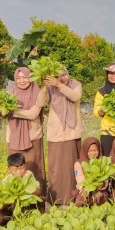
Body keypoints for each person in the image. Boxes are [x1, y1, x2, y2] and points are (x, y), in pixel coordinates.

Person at [0, 67, 47, 196]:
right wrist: (0, 112)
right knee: (15, 169)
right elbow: (3, 114)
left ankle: (37, 198)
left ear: (30, 78)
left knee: (34, 168)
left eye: (25, 77)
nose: (22, 80)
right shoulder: (10, 93)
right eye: (18, 78)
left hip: (32, 137)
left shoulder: (38, 93)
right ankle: (16, 197)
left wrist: (13, 111)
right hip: (14, 137)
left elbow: (33, 114)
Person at [38, 67, 83, 205]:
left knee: (72, 167)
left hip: (72, 131)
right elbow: (40, 103)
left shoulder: (75, 84)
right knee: (56, 168)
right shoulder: (51, 88)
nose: (62, 77)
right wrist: (45, 87)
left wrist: (59, 85)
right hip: (56, 133)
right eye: (58, 76)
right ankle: (56, 199)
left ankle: (73, 197)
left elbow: (75, 96)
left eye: (64, 74)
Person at [0, 153, 43, 226]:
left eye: (21, 168)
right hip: (13, 206)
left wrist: (24, 191)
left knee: (41, 200)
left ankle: (28, 219)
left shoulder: (28, 175)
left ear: (25, 166)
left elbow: (38, 192)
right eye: (15, 170)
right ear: (9, 169)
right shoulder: (6, 181)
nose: (19, 172)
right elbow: (2, 202)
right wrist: (11, 199)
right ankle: (14, 219)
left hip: (27, 204)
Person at [72, 137, 109, 207]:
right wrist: (86, 188)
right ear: (85, 150)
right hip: (85, 190)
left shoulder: (102, 161)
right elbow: (80, 179)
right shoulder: (79, 163)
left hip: (99, 189)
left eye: (95, 150)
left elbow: (106, 179)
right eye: (90, 151)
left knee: (101, 198)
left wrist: (100, 185)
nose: (93, 153)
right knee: (80, 201)